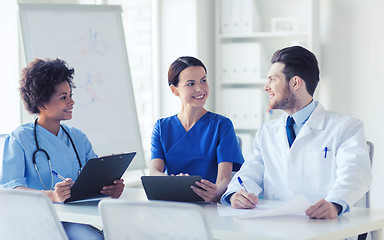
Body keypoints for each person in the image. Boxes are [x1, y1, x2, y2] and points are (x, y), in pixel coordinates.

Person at [221, 46, 372, 219]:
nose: (266, 87)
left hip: (323, 226)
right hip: (276, 226)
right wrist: (237, 194)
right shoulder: (267, 132)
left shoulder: (346, 127)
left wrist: (335, 203)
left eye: (272, 79)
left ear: (295, 83)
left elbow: (355, 172)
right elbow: (250, 172)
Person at [0, 58, 124, 240]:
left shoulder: (78, 137)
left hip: (73, 219)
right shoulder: (19, 139)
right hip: (36, 220)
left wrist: (110, 188)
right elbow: (10, 189)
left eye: (71, 95)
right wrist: (52, 195)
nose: (71, 102)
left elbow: (96, 176)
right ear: (41, 104)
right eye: (63, 97)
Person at [150, 56, 244, 202]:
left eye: (203, 80)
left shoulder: (221, 125)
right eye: (190, 84)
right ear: (174, 90)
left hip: (209, 206)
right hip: (173, 204)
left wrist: (216, 193)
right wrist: (174, 183)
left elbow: (224, 179)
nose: (200, 89)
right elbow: (154, 171)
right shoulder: (162, 127)